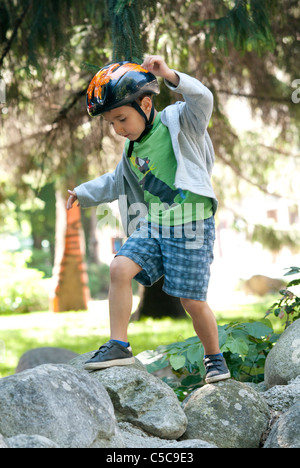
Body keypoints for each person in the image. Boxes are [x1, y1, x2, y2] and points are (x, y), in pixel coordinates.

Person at [67, 56, 230, 384]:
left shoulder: (180, 122)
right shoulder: (131, 150)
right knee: (119, 268)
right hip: (155, 225)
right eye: (112, 123)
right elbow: (115, 182)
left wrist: (170, 75)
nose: (118, 129)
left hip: (192, 224)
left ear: (144, 104)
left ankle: (215, 359)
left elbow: (204, 99)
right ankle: (119, 345)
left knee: (192, 301)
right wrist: (84, 193)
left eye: (122, 119)